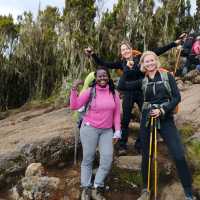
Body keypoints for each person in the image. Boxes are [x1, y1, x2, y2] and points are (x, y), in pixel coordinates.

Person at [85, 37, 182, 154]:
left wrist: (173, 44)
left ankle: (140, 144)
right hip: (128, 93)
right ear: (121, 53)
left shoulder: (139, 59)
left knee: (146, 117)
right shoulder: (121, 63)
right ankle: (122, 145)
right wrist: (93, 54)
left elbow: (157, 52)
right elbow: (104, 63)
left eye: (127, 49)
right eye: (123, 50)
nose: (125, 51)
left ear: (131, 49)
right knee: (125, 120)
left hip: (143, 92)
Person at [119, 51, 194, 200]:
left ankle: (188, 191)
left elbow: (176, 97)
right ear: (143, 65)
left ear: (156, 61)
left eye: (152, 60)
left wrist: (163, 109)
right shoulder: (142, 81)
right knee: (146, 155)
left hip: (165, 117)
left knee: (178, 154)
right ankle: (145, 190)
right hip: (147, 117)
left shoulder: (168, 76)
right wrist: (126, 68)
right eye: (146, 61)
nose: (150, 63)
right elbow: (121, 85)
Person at [70, 66, 121, 200]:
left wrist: (118, 131)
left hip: (107, 131)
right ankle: (86, 188)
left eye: (105, 75)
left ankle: (96, 186)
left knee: (107, 159)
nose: (102, 78)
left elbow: (116, 114)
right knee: (88, 158)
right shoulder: (89, 91)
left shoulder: (114, 93)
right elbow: (74, 106)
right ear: (96, 78)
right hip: (89, 129)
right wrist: (74, 89)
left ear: (108, 77)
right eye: (99, 76)